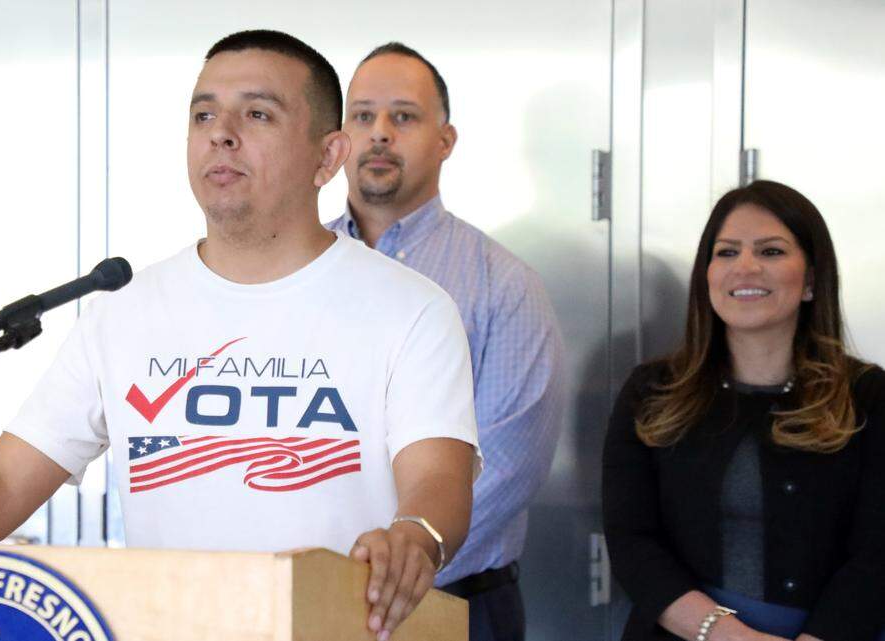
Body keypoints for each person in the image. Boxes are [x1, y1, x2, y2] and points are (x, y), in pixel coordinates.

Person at [0, 30, 482, 640]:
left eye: (257, 114)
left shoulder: (410, 309)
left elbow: (437, 478)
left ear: (328, 156)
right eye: (203, 113)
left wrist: (414, 536)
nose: (221, 133)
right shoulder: (126, 311)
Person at [325, 42, 565, 641]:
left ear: (445, 139)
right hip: (311, 594)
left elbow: (509, 463)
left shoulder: (501, 282)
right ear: (336, 139)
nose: (379, 133)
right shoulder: (292, 270)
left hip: (457, 604)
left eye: (403, 117)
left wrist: (390, 562)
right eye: (362, 116)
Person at [603, 180, 885, 641]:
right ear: (707, 274)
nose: (746, 268)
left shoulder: (869, 396)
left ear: (811, 279)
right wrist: (729, 637)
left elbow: (877, 556)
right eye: (727, 252)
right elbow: (632, 543)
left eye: (771, 252)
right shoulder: (652, 392)